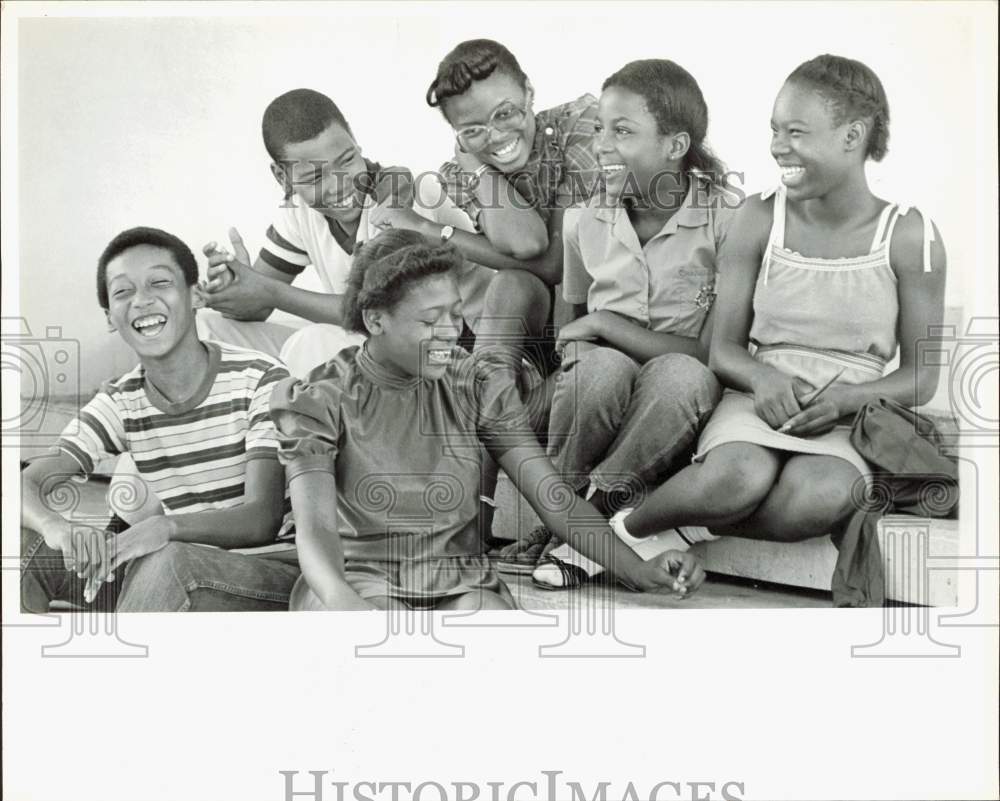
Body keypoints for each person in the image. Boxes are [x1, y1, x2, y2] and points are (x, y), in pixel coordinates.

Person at [596, 54, 946, 553]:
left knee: (822, 496)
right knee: (737, 477)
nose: (778, 147)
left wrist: (844, 399)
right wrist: (764, 379)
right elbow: (723, 351)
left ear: (853, 136)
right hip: (755, 398)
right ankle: (615, 537)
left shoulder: (913, 236)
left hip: (848, 414)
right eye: (775, 130)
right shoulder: (759, 216)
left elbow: (921, 378)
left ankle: (683, 526)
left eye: (796, 132)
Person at [269, 229, 705, 611]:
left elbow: (552, 497)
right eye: (429, 319)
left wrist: (639, 570)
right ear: (375, 319)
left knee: (488, 628)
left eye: (455, 314)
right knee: (385, 633)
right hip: (358, 576)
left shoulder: (473, 382)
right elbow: (317, 529)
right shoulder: (322, 397)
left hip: (456, 577)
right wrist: (341, 597)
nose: (449, 331)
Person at [490, 59, 736, 588]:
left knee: (679, 375)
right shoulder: (584, 221)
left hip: (676, 404)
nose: (601, 143)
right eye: (600, 127)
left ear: (675, 146)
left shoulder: (728, 221)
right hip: (602, 395)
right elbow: (572, 333)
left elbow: (709, 354)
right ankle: (562, 514)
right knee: (598, 370)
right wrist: (591, 340)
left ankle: (580, 521)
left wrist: (606, 323)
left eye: (622, 131)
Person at [20, 227, 299, 613]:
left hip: (268, 572)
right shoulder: (121, 399)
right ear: (109, 316)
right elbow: (25, 482)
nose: (142, 301)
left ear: (196, 295)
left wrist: (165, 527)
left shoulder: (260, 378)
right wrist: (56, 528)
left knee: (170, 563)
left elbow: (261, 519)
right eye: (123, 292)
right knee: (22, 544)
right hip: (164, 569)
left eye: (160, 283)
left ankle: (124, 664)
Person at [199, 88, 493, 378]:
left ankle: (303, 418)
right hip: (374, 343)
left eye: (347, 160)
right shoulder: (297, 210)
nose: (338, 184)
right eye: (314, 176)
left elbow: (381, 312)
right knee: (209, 328)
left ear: (355, 140)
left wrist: (267, 290)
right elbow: (257, 308)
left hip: (450, 349)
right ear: (282, 177)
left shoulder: (397, 193)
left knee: (312, 343)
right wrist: (231, 288)